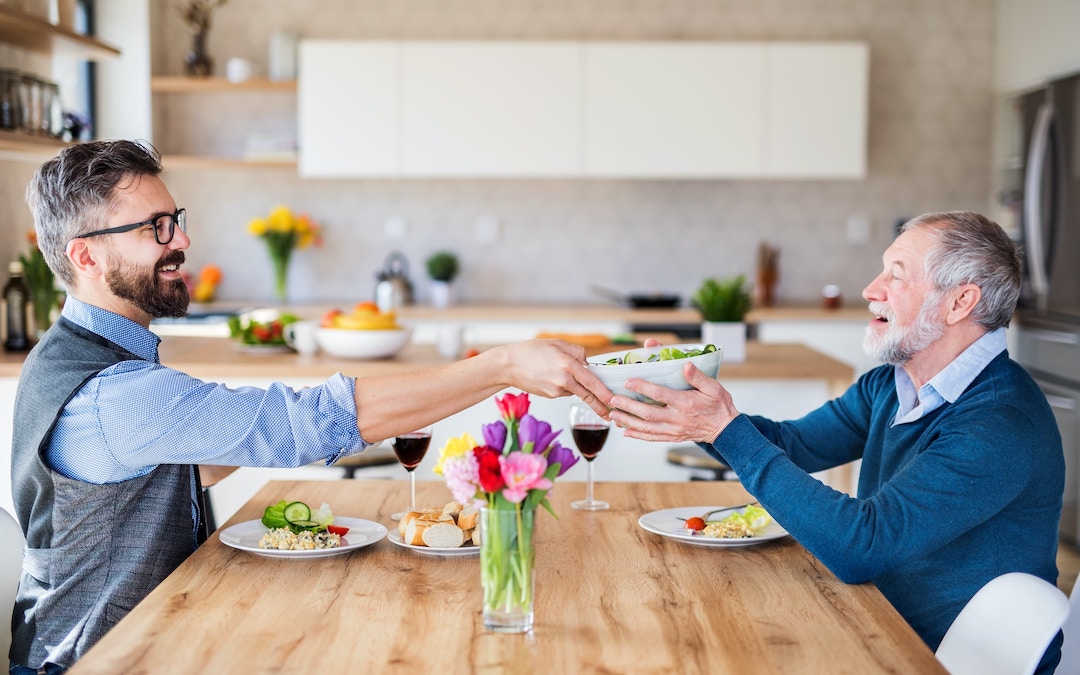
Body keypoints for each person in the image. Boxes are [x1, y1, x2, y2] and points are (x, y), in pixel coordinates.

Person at [10, 139, 613, 673]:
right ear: (85, 256)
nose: (182, 241)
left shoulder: (84, 354)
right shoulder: (112, 396)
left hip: (146, 635)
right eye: (154, 228)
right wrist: (501, 367)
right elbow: (302, 426)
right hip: (98, 658)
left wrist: (244, 429)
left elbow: (168, 473)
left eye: (176, 220)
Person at [608, 211, 1065, 674]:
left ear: (959, 302)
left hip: (952, 660)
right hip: (883, 624)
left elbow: (861, 546)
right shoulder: (892, 385)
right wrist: (685, 403)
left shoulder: (999, 422)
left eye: (896, 275)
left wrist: (721, 428)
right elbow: (794, 443)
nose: (871, 289)